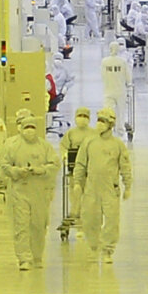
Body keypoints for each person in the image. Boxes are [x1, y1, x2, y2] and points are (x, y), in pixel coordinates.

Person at [0, 117, 59, 270]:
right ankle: (24, 258)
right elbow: (3, 164)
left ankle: (37, 256)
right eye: (26, 127)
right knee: (22, 225)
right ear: (21, 128)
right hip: (20, 190)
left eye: (32, 126)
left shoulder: (44, 146)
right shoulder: (12, 145)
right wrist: (16, 172)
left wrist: (41, 170)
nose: (29, 130)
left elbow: (55, 164)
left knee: (39, 225)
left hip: (39, 191)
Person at [74, 108, 132, 264]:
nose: (99, 124)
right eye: (98, 120)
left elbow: (125, 166)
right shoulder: (89, 142)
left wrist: (128, 186)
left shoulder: (117, 145)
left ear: (111, 124)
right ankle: (93, 247)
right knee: (91, 219)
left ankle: (107, 250)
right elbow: (80, 164)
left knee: (112, 220)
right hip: (92, 187)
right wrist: (77, 182)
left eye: (103, 121)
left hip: (110, 188)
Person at [60, 107, 96, 219]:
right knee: (74, 191)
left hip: (89, 168)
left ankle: (87, 214)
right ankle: (75, 212)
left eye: (85, 116)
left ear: (89, 119)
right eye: (80, 116)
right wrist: (65, 156)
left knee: (89, 192)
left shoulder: (93, 133)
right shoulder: (71, 133)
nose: (82, 118)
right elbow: (63, 146)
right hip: (74, 167)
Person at [101, 41, 132, 138]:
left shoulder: (104, 62)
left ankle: (108, 128)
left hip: (108, 90)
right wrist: (129, 84)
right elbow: (128, 76)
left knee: (108, 110)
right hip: (120, 90)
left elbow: (102, 75)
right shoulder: (122, 61)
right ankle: (120, 130)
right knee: (121, 111)